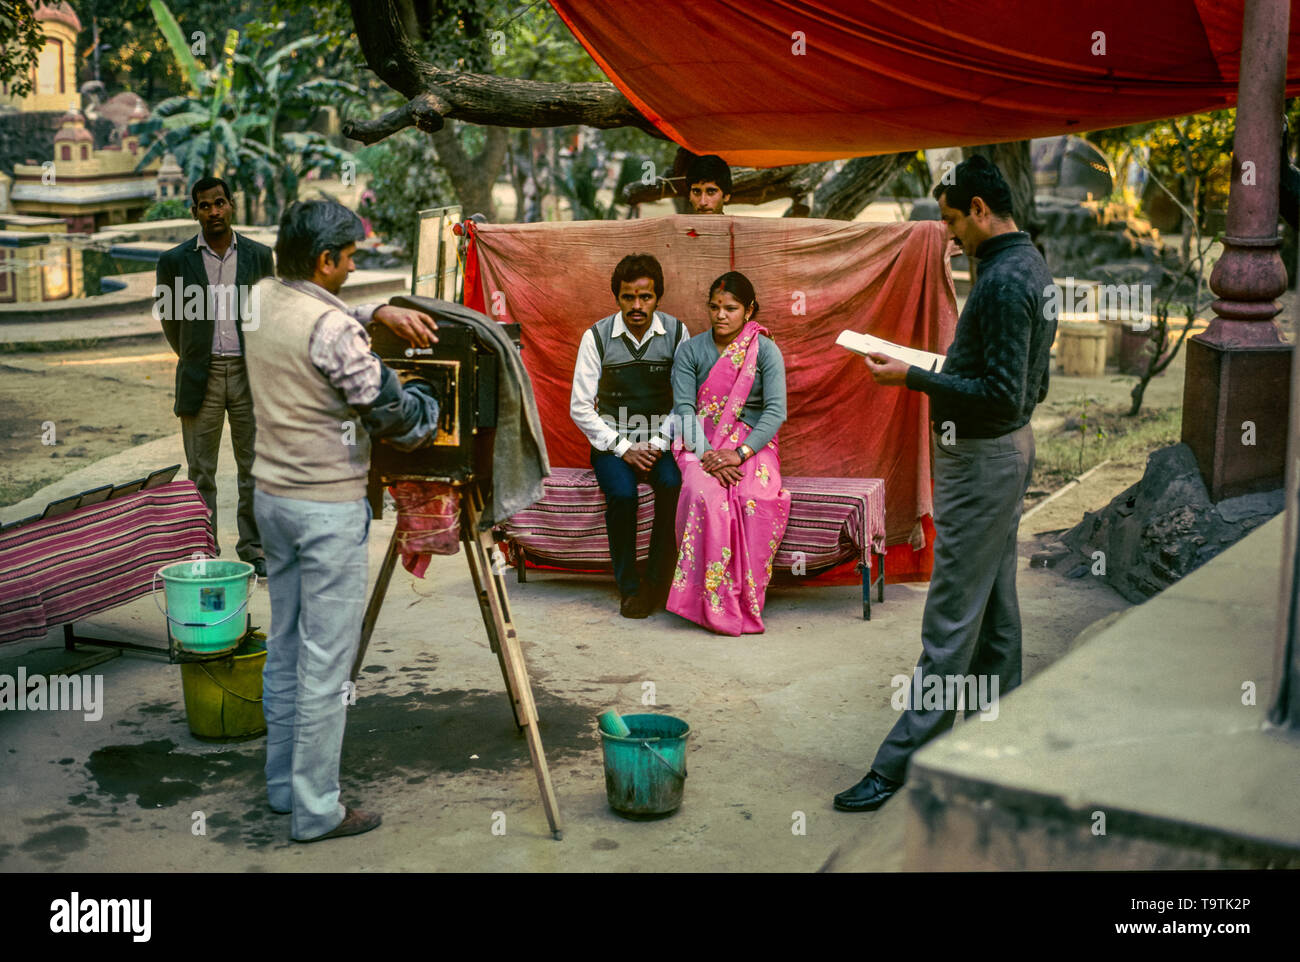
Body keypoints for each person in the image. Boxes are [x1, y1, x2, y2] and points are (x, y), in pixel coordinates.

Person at [834, 155, 1056, 812]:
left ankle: (899, 763)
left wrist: (913, 377)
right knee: (995, 613)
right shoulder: (1025, 264)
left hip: (985, 462)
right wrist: (932, 368)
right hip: (1003, 454)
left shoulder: (1003, 281)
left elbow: (999, 392)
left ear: (982, 211)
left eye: (955, 220)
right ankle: (996, 742)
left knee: (951, 620)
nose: (951, 234)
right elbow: (1024, 388)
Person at [243, 200, 444, 842]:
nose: (354, 268)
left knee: (286, 647)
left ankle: (283, 788)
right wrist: (428, 400)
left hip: (271, 500)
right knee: (328, 665)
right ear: (325, 261)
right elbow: (397, 420)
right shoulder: (334, 332)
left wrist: (376, 311)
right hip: (326, 508)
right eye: (349, 259)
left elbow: (319, 319)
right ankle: (317, 811)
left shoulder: (260, 298)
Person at [156, 176, 274, 576]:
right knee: (200, 470)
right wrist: (194, 356)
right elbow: (171, 320)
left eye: (219, 203)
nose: (213, 211)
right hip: (200, 376)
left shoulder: (259, 256)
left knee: (254, 465)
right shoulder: (174, 261)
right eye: (204, 206)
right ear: (195, 212)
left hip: (248, 373)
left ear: (231, 205)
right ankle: (203, 550)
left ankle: (254, 547)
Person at [668, 271, 789, 635]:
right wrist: (707, 456)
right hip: (700, 440)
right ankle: (706, 602)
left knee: (754, 496)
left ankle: (743, 600)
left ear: (749, 310)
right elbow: (685, 411)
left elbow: (776, 411)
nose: (721, 315)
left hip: (753, 444)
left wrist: (740, 453)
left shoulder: (765, 350)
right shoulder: (690, 351)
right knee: (704, 494)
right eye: (715, 307)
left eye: (731, 308)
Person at [570, 254, 688, 618]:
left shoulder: (678, 333)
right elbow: (580, 407)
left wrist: (655, 445)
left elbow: (685, 400)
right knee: (622, 495)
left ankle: (656, 582)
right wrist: (623, 448)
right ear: (617, 297)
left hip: (660, 441)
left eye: (646, 297)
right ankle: (629, 587)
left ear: (657, 297)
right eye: (628, 298)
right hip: (612, 443)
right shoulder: (596, 337)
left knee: (672, 486)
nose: (637, 306)